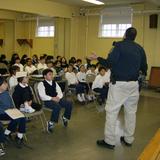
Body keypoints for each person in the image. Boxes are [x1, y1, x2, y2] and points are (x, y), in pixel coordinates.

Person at [89, 27, 148, 149]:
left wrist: (97, 58)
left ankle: (110, 141)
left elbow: (109, 63)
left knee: (112, 112)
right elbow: (144, 68)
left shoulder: (119, 46)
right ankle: (128, 139)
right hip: (133, 85)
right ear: (135, 36)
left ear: (125, 35)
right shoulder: (140, 49)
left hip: (119, 85)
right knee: (131, 113)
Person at [37, 69, 73, 133]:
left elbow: (59, 92)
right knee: (57, 107)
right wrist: (52, 98)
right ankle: (51, 123)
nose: (51, 76)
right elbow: (42, 95)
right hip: (47, 101)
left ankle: (65, 117)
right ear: (45, 76)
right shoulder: (41, 84)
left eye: (52, 74)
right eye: (49, 74)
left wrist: (58, 97)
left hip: (57, 98)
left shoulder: (54, 82)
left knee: (69, 103)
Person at [0, 76, 26, 148]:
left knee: (22, 116)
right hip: (2, 113)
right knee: (17, 118)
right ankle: (6, 133)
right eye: (4, 84)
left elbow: (11, 104)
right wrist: (7, 111)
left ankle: (19, 137)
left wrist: (13, 109)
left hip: (9, 111)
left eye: (6, 83)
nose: (6, 85)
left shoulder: (6, 93)